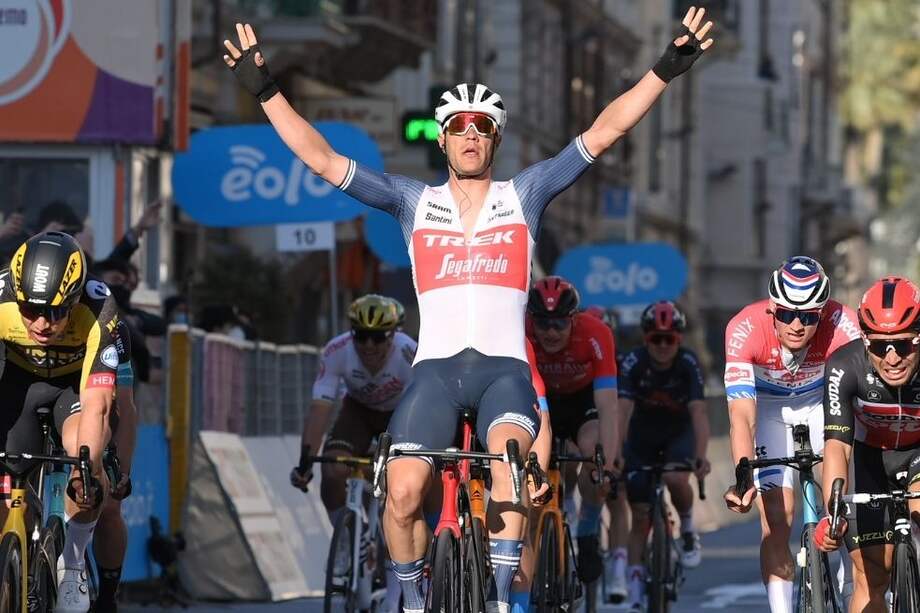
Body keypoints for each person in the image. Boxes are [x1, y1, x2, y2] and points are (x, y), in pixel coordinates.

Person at [223, 9, 714, 610]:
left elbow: (604, 131)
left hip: (503, 373)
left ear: (496, 138)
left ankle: (503, 596)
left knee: (510, 471)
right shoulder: (412, 202)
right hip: (433, 374)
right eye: (458, 126)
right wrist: (267, 90)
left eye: (483, 125)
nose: (471, 134)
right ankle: (410, 592)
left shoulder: (524, 195)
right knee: (402, 495)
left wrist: (666, 69)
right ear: (443, 137)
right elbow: (323, 160)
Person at [722, 256, 861, 613]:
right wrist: (743, 474)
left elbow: (860, 394)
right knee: (777, 520)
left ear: (823, 311)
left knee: (844, 498)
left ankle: (852, 581)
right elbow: (741, 416)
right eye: (787, 314)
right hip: (769, 412)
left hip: (824, 404)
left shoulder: (844, 323)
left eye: (810, 316)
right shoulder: (744, 328)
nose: (797, 324)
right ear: (772, 309)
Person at [0, 232, 118, 613]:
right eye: (30, 309)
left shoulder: (99, 309)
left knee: (84, 459)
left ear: (74, 299)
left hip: (74, 389)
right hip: (19, 383)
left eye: (55, 311)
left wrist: (87, 465)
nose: (42, 323)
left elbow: (99, 405)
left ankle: (74, 557)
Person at [290, 295, 415, 613]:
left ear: (392, 335)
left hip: (400, 414)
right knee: (333, 469)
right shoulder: (337, 351)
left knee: (401, 489)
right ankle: (347, 538)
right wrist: (306, 460)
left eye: (377, 338)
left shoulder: (407, 352)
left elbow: (423, 406)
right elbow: (320, 408)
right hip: (357, 413)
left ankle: (395, 583)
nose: (369, 346)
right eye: (361, 336)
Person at [510, 277, 619, 611]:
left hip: (580, 404)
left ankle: (586, 530)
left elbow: (608, 405)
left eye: (559, 324)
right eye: (543, 323)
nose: (551, 333)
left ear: (574, 319)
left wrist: (608, 465)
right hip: (537, 401)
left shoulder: (597, 334)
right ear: (532, 321)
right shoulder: (520, 332)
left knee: (591, 454)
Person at [815, 277, 920, 612]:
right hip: (869, 460)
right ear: (864, 341)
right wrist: (832, 513)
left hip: (918, 455)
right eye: (878, 346)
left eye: (902, 345)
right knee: (871, 576)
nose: (892, 359)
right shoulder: (844, 366)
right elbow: (837, 446)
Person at [621, 301, 710, 610]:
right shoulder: (633, 362)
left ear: (679, 339)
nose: (662, 346)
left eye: (668, 338)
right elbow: (621, 409)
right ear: (646, 340)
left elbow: (699, 412)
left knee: (674, 476)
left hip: (677, 434)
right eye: (655, 339)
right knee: (640, 513)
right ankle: (634, 590)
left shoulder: (688, 363)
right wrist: (617, 450)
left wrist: (700, 456)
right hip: (641, 436)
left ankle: (686, 528)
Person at [92, 318, 137, 613]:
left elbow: (124, 407)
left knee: (108, 506)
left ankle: (108, 596)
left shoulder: (112, 327)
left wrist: (122, 469)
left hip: (95, 408)